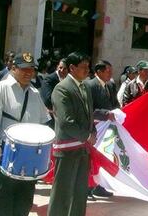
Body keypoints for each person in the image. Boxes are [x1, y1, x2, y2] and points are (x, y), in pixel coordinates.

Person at [0, 52, 51, 215]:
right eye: (24, 69)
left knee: (24, 200)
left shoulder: (34, 93)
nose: (29, 73)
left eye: (31, 70)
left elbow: (44, 122)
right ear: (13, 68)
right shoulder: (1, 89)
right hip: (5, 152)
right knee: (1, 199)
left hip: (29, 155)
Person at [48, 52, 95, 216]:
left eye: (88, 67)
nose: (87, 70)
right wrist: (87, 136)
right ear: (72, 68)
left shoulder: (85, 87)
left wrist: (92, 131)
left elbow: (90, 113)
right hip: (67, 148)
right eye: (83, 67)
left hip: (83, 149)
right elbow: (66, 121)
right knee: (62, 192)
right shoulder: (62, 88)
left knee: (80, 192)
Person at [84, 60, 118, 199]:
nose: (110, 74)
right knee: (90, 159)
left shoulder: (110, 85)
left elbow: (114, 104)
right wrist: (106, 114)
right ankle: (87, 187)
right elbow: (88, 109)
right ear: (99, 72)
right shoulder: (90, 85)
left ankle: (100, 186)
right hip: (94, 128)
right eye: (108, 71)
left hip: (108, 130)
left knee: (104, 157)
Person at [40, 58, 68, 128]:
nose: (62, 70)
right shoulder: (49, 80)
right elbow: (48, 99)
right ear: (57, 67)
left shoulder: (68, 80)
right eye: (60, 67)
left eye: (65, 68)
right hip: (50, 118)